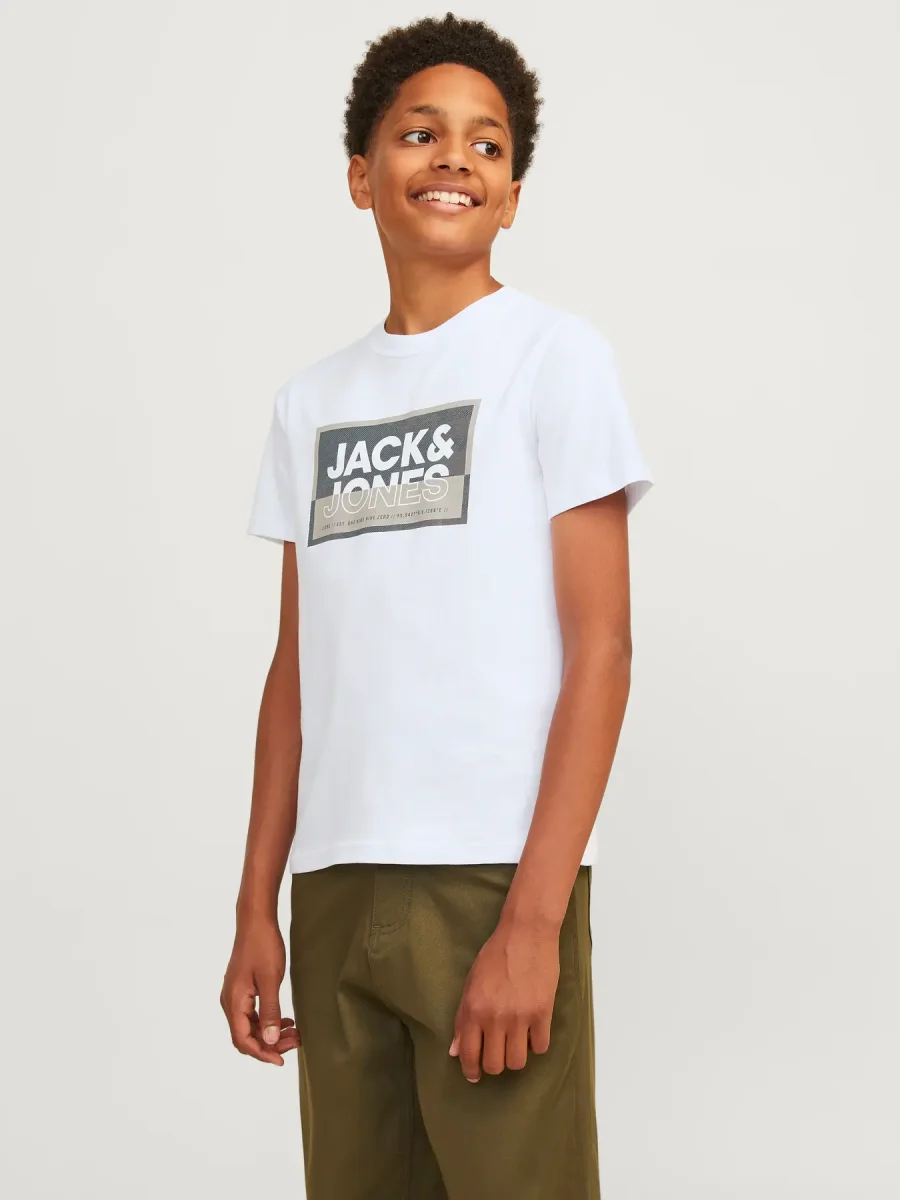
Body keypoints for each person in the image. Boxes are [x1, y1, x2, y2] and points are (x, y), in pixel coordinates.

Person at [220, 12, 654, 1199]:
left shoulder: (554, 358)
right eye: (421, 133)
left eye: (488, 144)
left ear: (510, 196)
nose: (456, 156)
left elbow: (604, 651)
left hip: (491, 879)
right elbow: (297, 670)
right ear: (362, 176)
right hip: (335, 885)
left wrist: (533, 923)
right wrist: (257, 905)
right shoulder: (310, 404)